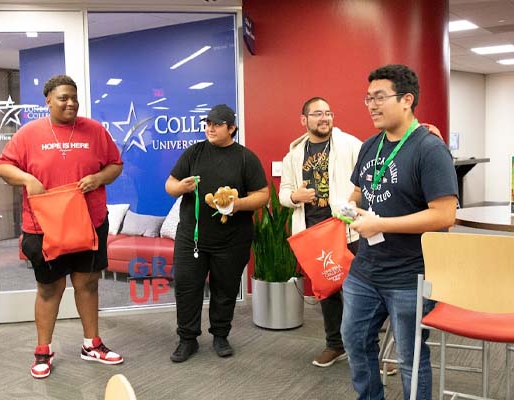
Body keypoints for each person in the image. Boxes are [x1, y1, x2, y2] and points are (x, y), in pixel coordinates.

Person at [0, 74, 124, 379]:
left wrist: (98, 178)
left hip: (89, 223)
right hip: (44, 226)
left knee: (88, 283)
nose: (70, 103)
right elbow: (4, 166)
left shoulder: (95, 131)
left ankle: (91, 344)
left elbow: (115, 164)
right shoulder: (29, 134)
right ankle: (43, 349)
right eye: (63, 98)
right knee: (50, 288)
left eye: (74, 97)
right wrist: (27, 179)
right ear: (48, 101)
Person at [341, 64, 458, 400]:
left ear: (407, 99)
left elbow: (444, 214)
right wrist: (348, 210)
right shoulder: (369, 146)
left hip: (411, 275)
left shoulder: (429, 149)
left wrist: (381, 224)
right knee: (355, 341)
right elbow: (357, 192)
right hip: (365, 270)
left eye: (380, 97)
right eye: (368, 98)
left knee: (410, 358)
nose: (372, 105)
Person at [165, 104, 269, 362]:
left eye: (217, 124)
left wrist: (235, 205)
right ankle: (187, 339)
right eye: (207, 123)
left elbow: (263, 195)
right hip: (193, 237)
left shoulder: (246, 158)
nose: (210, 128)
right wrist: (181, 187)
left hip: (232, 239)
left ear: (231, 128)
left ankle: (221, 335)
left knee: (225, 289)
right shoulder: (194, 153)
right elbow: (170, 184)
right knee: (187, 288)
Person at [279, 97, 362, 368]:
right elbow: (282, 195)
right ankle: (335, 345)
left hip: (346, 231)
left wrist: (352, 206)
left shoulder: (350, 144)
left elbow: (366, 180)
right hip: (314, 233)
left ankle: (368, 349)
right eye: (317, 114)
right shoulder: (293, 155)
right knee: (327, 291)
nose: (324, 118)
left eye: (328, 113)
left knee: (360, 292)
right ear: (304, 120)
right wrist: (295, 195)